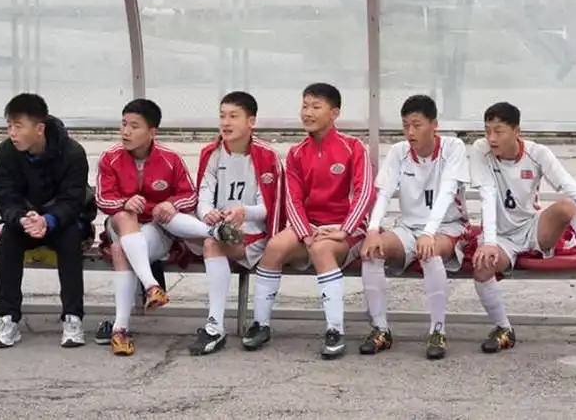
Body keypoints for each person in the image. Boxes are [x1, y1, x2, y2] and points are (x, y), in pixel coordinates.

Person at [469, 101, 576, 354]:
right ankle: (504, 329)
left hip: (532, 227)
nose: (491, 138)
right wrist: (488, 242)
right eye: (487, 131)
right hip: (499, 236)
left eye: (498, 131)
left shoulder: (537, 153)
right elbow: (487, 194)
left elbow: (569, 185)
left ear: (516, 131)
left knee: (566, 205)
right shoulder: (481, 150)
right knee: (482, 266)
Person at [240, 83, 375, 359]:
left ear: (334, 113)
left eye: (316, 106)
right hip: (309, 227)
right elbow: (293, 200)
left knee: (322, 249)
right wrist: (304, 233)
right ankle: (260, 324)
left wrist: (344, 230)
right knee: (275, 246)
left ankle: (335, 330)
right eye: (304, 106)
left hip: (344, 229)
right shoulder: (296, 153)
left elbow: (365, 193)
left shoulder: (353, 147)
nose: (307, 113)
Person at [95, 98, 219, 356]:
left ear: (152, 132)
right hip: (119, 224)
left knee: (120, 250)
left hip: (154, 230)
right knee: (125, 216)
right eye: (124, 124)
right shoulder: (110, 158)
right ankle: (151, 285)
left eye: (134, 126)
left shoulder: (170, 159)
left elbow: (189, 196)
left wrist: (170, 204)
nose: (126, 131)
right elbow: (103, 199)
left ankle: (120, 330)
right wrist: (124, 202)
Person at [359, 95, 470, 360]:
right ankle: (381, 329)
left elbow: (447, 192)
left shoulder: (453, 147)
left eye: (417, 125)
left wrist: (429, 233)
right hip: (408, 227)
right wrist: (373, 230)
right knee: (373, 251)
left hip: (447, 227)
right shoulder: (399, 151)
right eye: (405, 125)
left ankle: (437, 330)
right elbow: (384, 193)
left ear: (434, 125)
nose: (410, 132)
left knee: (429, 253)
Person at [187, 91, 285, 356]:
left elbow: (270, 209)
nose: (225, 123)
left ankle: (215, 326)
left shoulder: (266, 156)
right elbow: (203, 194)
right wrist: (207, 212)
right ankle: (215, 326)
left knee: (212, 243)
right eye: (222, 116)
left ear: (251, 122)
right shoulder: (212, 152)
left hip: (253, 235)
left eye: (233, 116)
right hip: (218, 230)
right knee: (200, 234)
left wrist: (244, 212)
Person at [0, 93, 92, 349]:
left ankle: (72, 318)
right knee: (8, 239)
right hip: (25, 221)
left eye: (18, 126)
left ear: (39, 129)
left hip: (61, 221)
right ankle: (8, 318)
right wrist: (22, 218)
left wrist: (48, 219)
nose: (12, 133)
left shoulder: (72, 153)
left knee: (70, 239)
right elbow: (5, 196)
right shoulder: (5, 153)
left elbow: (73, 199)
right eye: (9, 126)